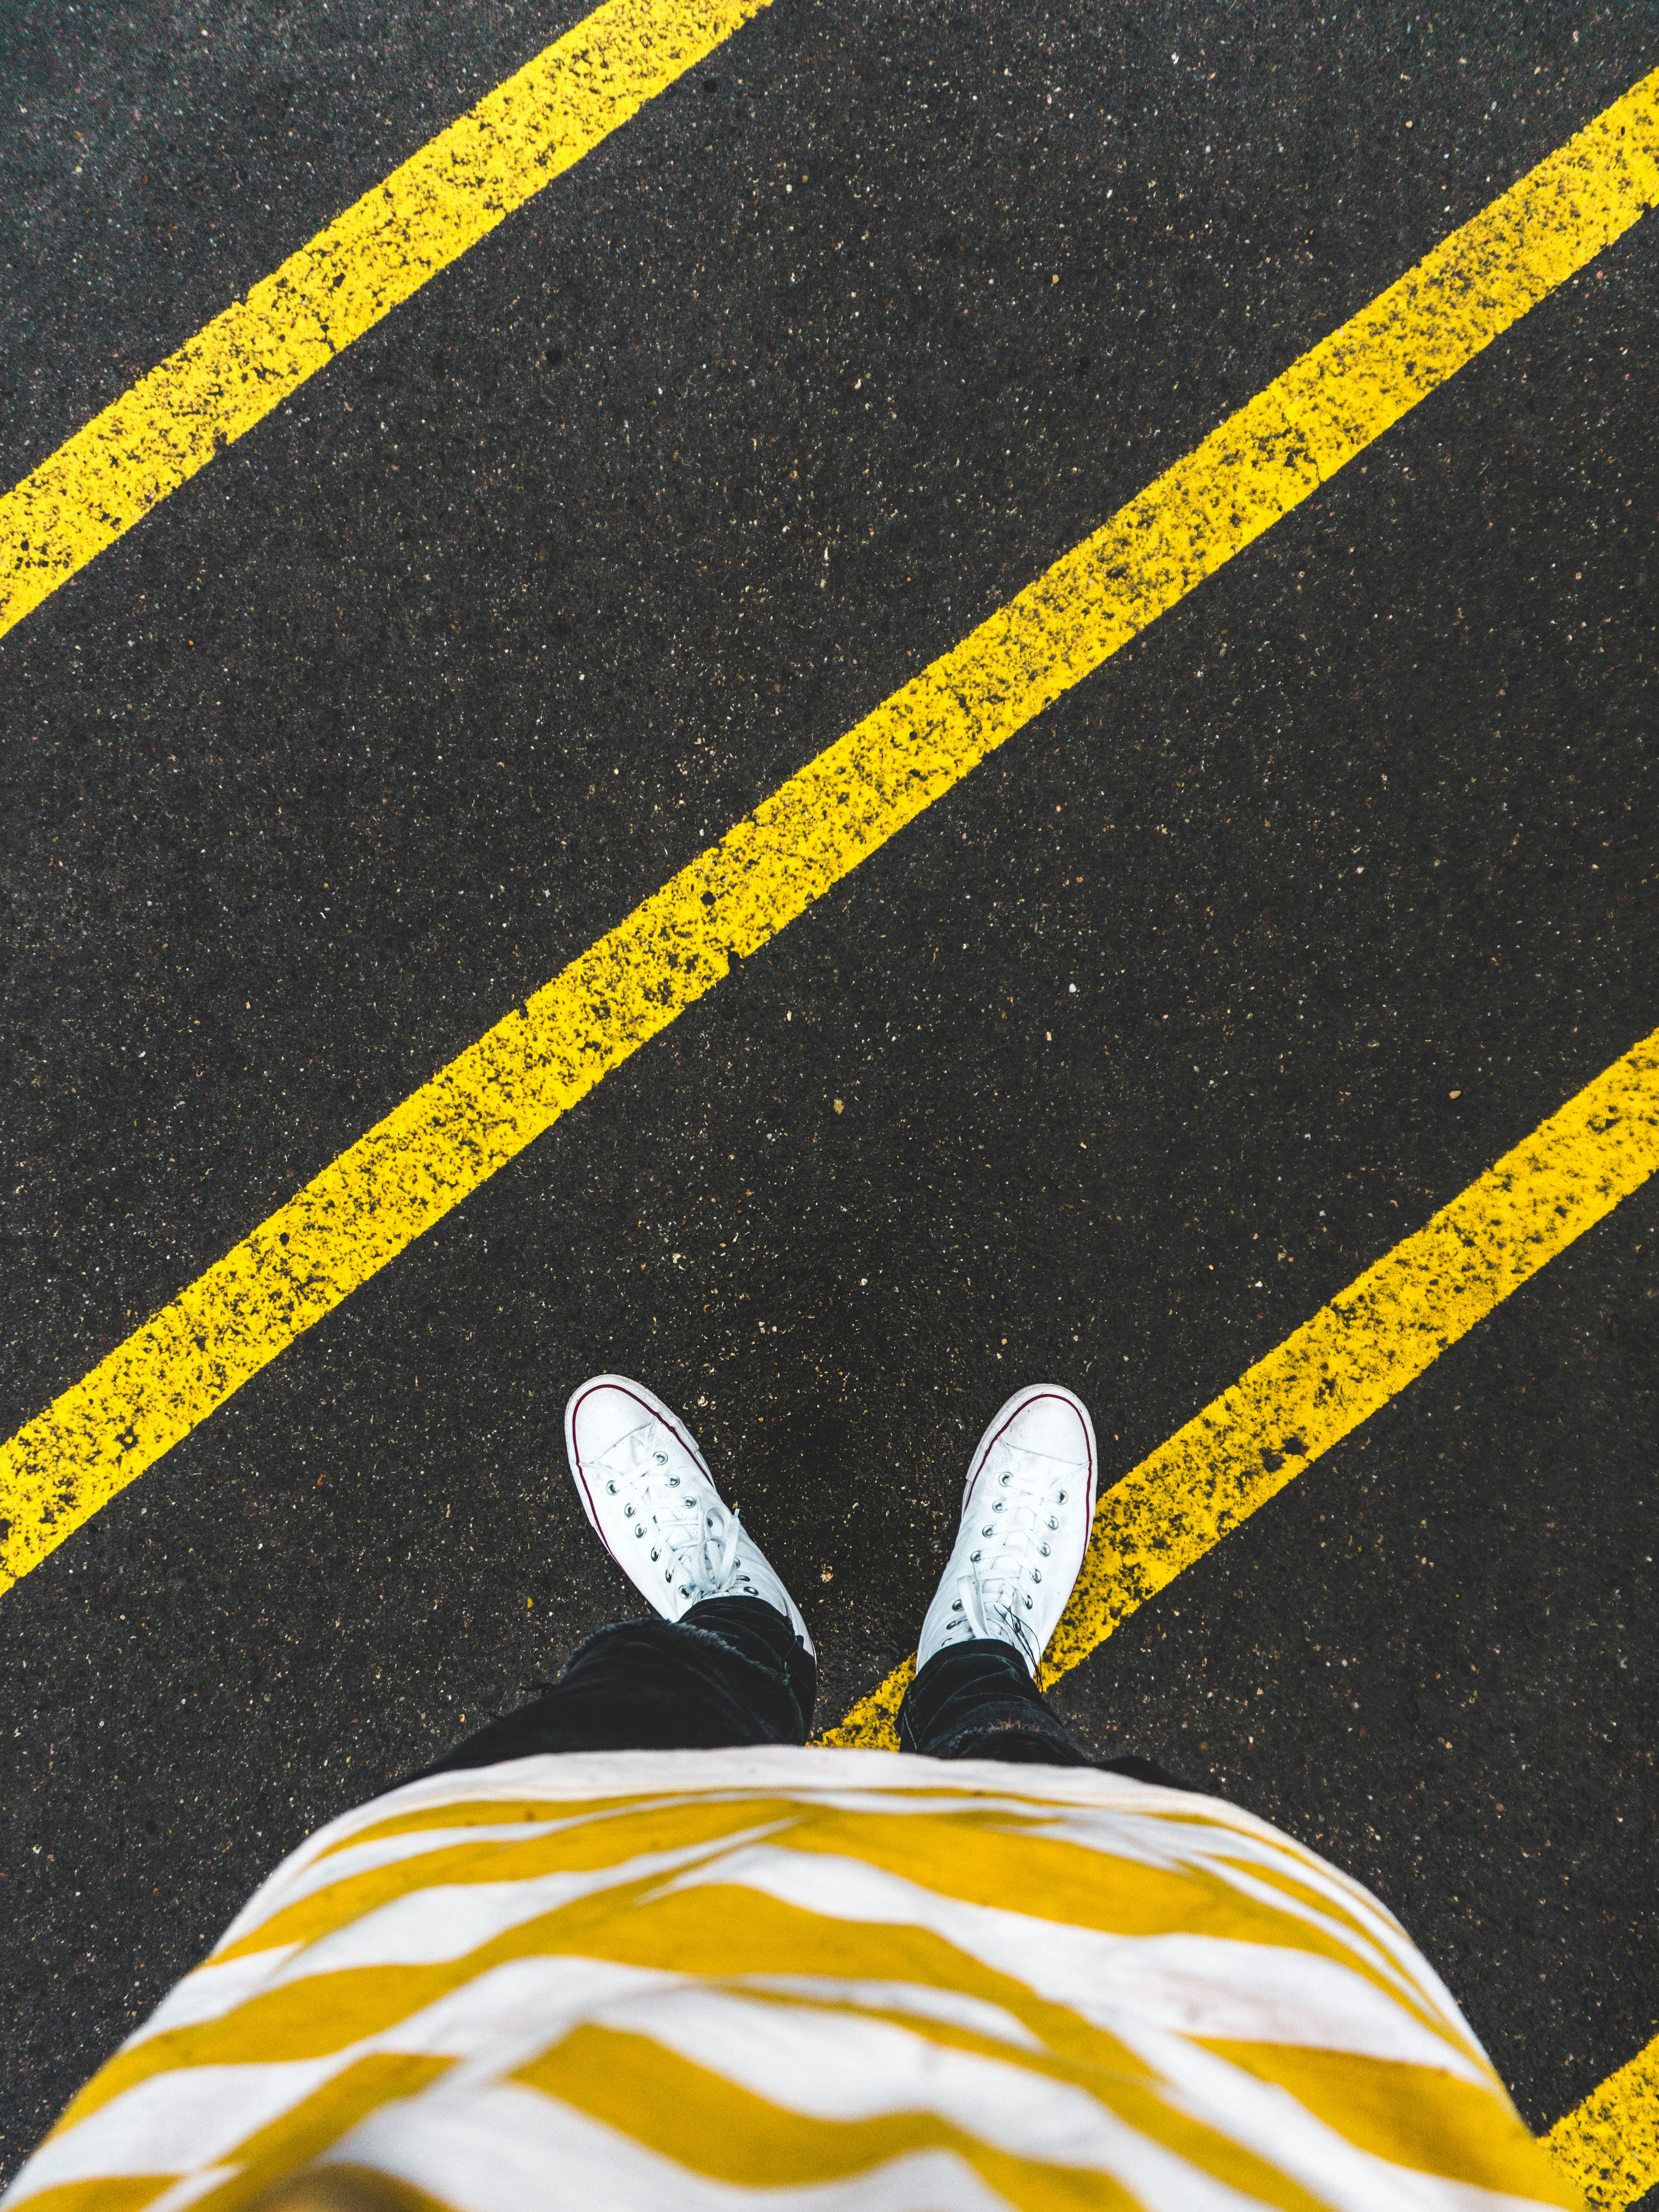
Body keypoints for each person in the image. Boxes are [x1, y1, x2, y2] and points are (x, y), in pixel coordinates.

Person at [7, 1377, 1575, 2212]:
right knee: (1040, 1801)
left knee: (613, 1735)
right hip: (1169, 2097)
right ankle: (972, 1670)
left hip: (483, 1975)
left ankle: (744, 1636)